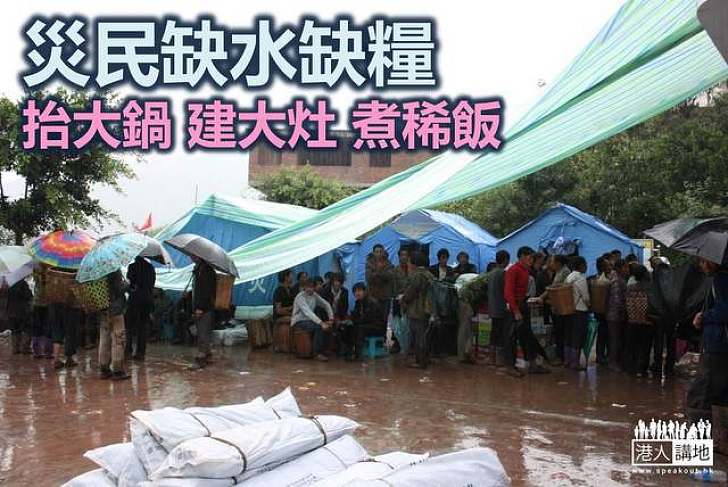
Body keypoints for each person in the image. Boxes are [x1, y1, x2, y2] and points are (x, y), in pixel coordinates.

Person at [686, 259, 728, 424]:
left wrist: (704, 316)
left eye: (703, 261)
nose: (701, 265)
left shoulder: (721, 280)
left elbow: (724, 311)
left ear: (713, 262)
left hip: (718, 343)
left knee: (703, 392)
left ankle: (698, 439)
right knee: (721, 391)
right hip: (721, 344)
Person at [504, 246, 550, 377]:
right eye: (529, 257)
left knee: (527, 337)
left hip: (523, 305)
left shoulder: (526, 271)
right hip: (514, 307)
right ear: (522, 257)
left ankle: (532, 364)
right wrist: (516, 310)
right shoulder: (513, 270)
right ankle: (510, 366)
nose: (531, 260)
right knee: (511, 338)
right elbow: (508, 292)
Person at [401, 251, 435, 369]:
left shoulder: (417, 275)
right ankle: (425, 358)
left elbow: (411, 292)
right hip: (427, 309)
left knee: (418, 335)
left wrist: (403, 299)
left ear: (414, 262)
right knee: (424, 335)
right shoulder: (428, 274)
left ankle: (420, 361)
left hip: (417, 309)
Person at [291, 279, 333, 361]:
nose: (309, 289)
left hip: (309, 320)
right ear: (304, 287)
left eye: (311, 287)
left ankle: (324, 349)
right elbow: (308, 312)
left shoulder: (315, 296)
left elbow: (326, 304)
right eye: (307, 287)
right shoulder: (300, 297)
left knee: (328, 326)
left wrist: (331, 319)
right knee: (318, 327)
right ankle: (317, 353)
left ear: (314, 288)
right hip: (299, 321)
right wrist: (321, 323)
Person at [99, 270, 130, 380]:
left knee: (104, 338)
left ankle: (104, 368)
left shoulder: (98, 270)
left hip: (103, 308)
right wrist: (127, 284)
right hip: (116, 309)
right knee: (118, 338)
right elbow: (118, 289)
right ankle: (118, 370)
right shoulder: (113, 269)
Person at [649, 255, 676, 377]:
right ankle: (670, 366)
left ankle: (657, 365)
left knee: (658, 341)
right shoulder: (671, 274)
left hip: (659, 314)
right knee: (671, 341)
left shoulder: (654, 275)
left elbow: (653, 295)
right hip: (671, 313)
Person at [125, 256, 156, 361]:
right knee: (142, 327)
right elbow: (152, 285)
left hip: (134, 299)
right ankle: (140, 353)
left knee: (128, 326)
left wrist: (130, 290)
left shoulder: (132, 267)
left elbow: (130, 284)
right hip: (147, 300)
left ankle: (128, 350)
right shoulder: (151, 267)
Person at [345, 282, 387, 360]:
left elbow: (369, 318)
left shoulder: (371, 302)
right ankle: (348, 351)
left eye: (359, 291)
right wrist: (350, 320)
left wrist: (355, 321)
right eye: (355, 291)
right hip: (366, 324)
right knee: (348, 327)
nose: (357, 293)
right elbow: (357, 315)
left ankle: (358, 353)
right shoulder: (358, 302)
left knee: (359, 328)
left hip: (377, 327)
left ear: (364, 291)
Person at [457, 270, 490, 364]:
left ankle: (466, 353)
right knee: (465, 329)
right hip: (466, 303)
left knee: (467, 329)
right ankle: (463, 355)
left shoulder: (480, 278)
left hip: (464, 303)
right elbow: (478, 295)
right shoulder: (484, 281)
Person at [189, 256, 217, 369]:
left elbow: (205, 290)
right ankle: (208, 355)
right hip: (202, 306)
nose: (191, 257)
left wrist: (200, 307)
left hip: (204, 307)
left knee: (202, 332)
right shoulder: (199, 269)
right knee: (203, 331)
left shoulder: (206, 270)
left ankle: (201, 357)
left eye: (193, 255)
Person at [564, 256, 590, 370]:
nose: (586, 267)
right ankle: (575, 363)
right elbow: (585, 297)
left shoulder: (569, 277)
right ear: (581, 266)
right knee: (578, 337)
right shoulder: (580, 278)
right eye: (585, 264)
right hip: (580, 310)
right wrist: (590, 306)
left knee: (569, 336)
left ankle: (568, 361)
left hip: (569, 310)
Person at [487, 250, 510, 366]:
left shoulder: (491, 273)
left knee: (494, 333)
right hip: (501, 308)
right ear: (505, 260)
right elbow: (506, 292)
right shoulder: (503, 273)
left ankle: (491, 358)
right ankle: (500, 359)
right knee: (501, 334)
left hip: (492, 307)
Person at [606, 259, 629, 372]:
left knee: (617, 339)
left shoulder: (619, 280)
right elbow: (617, 300)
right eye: (625, 267)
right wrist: (625, 309)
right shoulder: (617, 281)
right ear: (620, 268)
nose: (627, 270)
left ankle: (615, 361)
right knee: (615, 339)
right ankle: (613, 363)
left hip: (615, 315)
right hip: (615, 316)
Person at [30, 265, 52, 359]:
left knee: (36, 326)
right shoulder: (50, 273)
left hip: (37, 302)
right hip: (48, 302)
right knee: (48, 327)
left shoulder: (36, 271)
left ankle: (36, 351)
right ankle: (48, 352)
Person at [6, 277, 33, 354]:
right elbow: (29, 295)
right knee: (27, 329)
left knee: (14, 330)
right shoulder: (22, 283)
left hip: (11, 311)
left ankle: (15, 348)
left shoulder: (8, 283)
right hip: (22, 311)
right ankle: (25, 348)